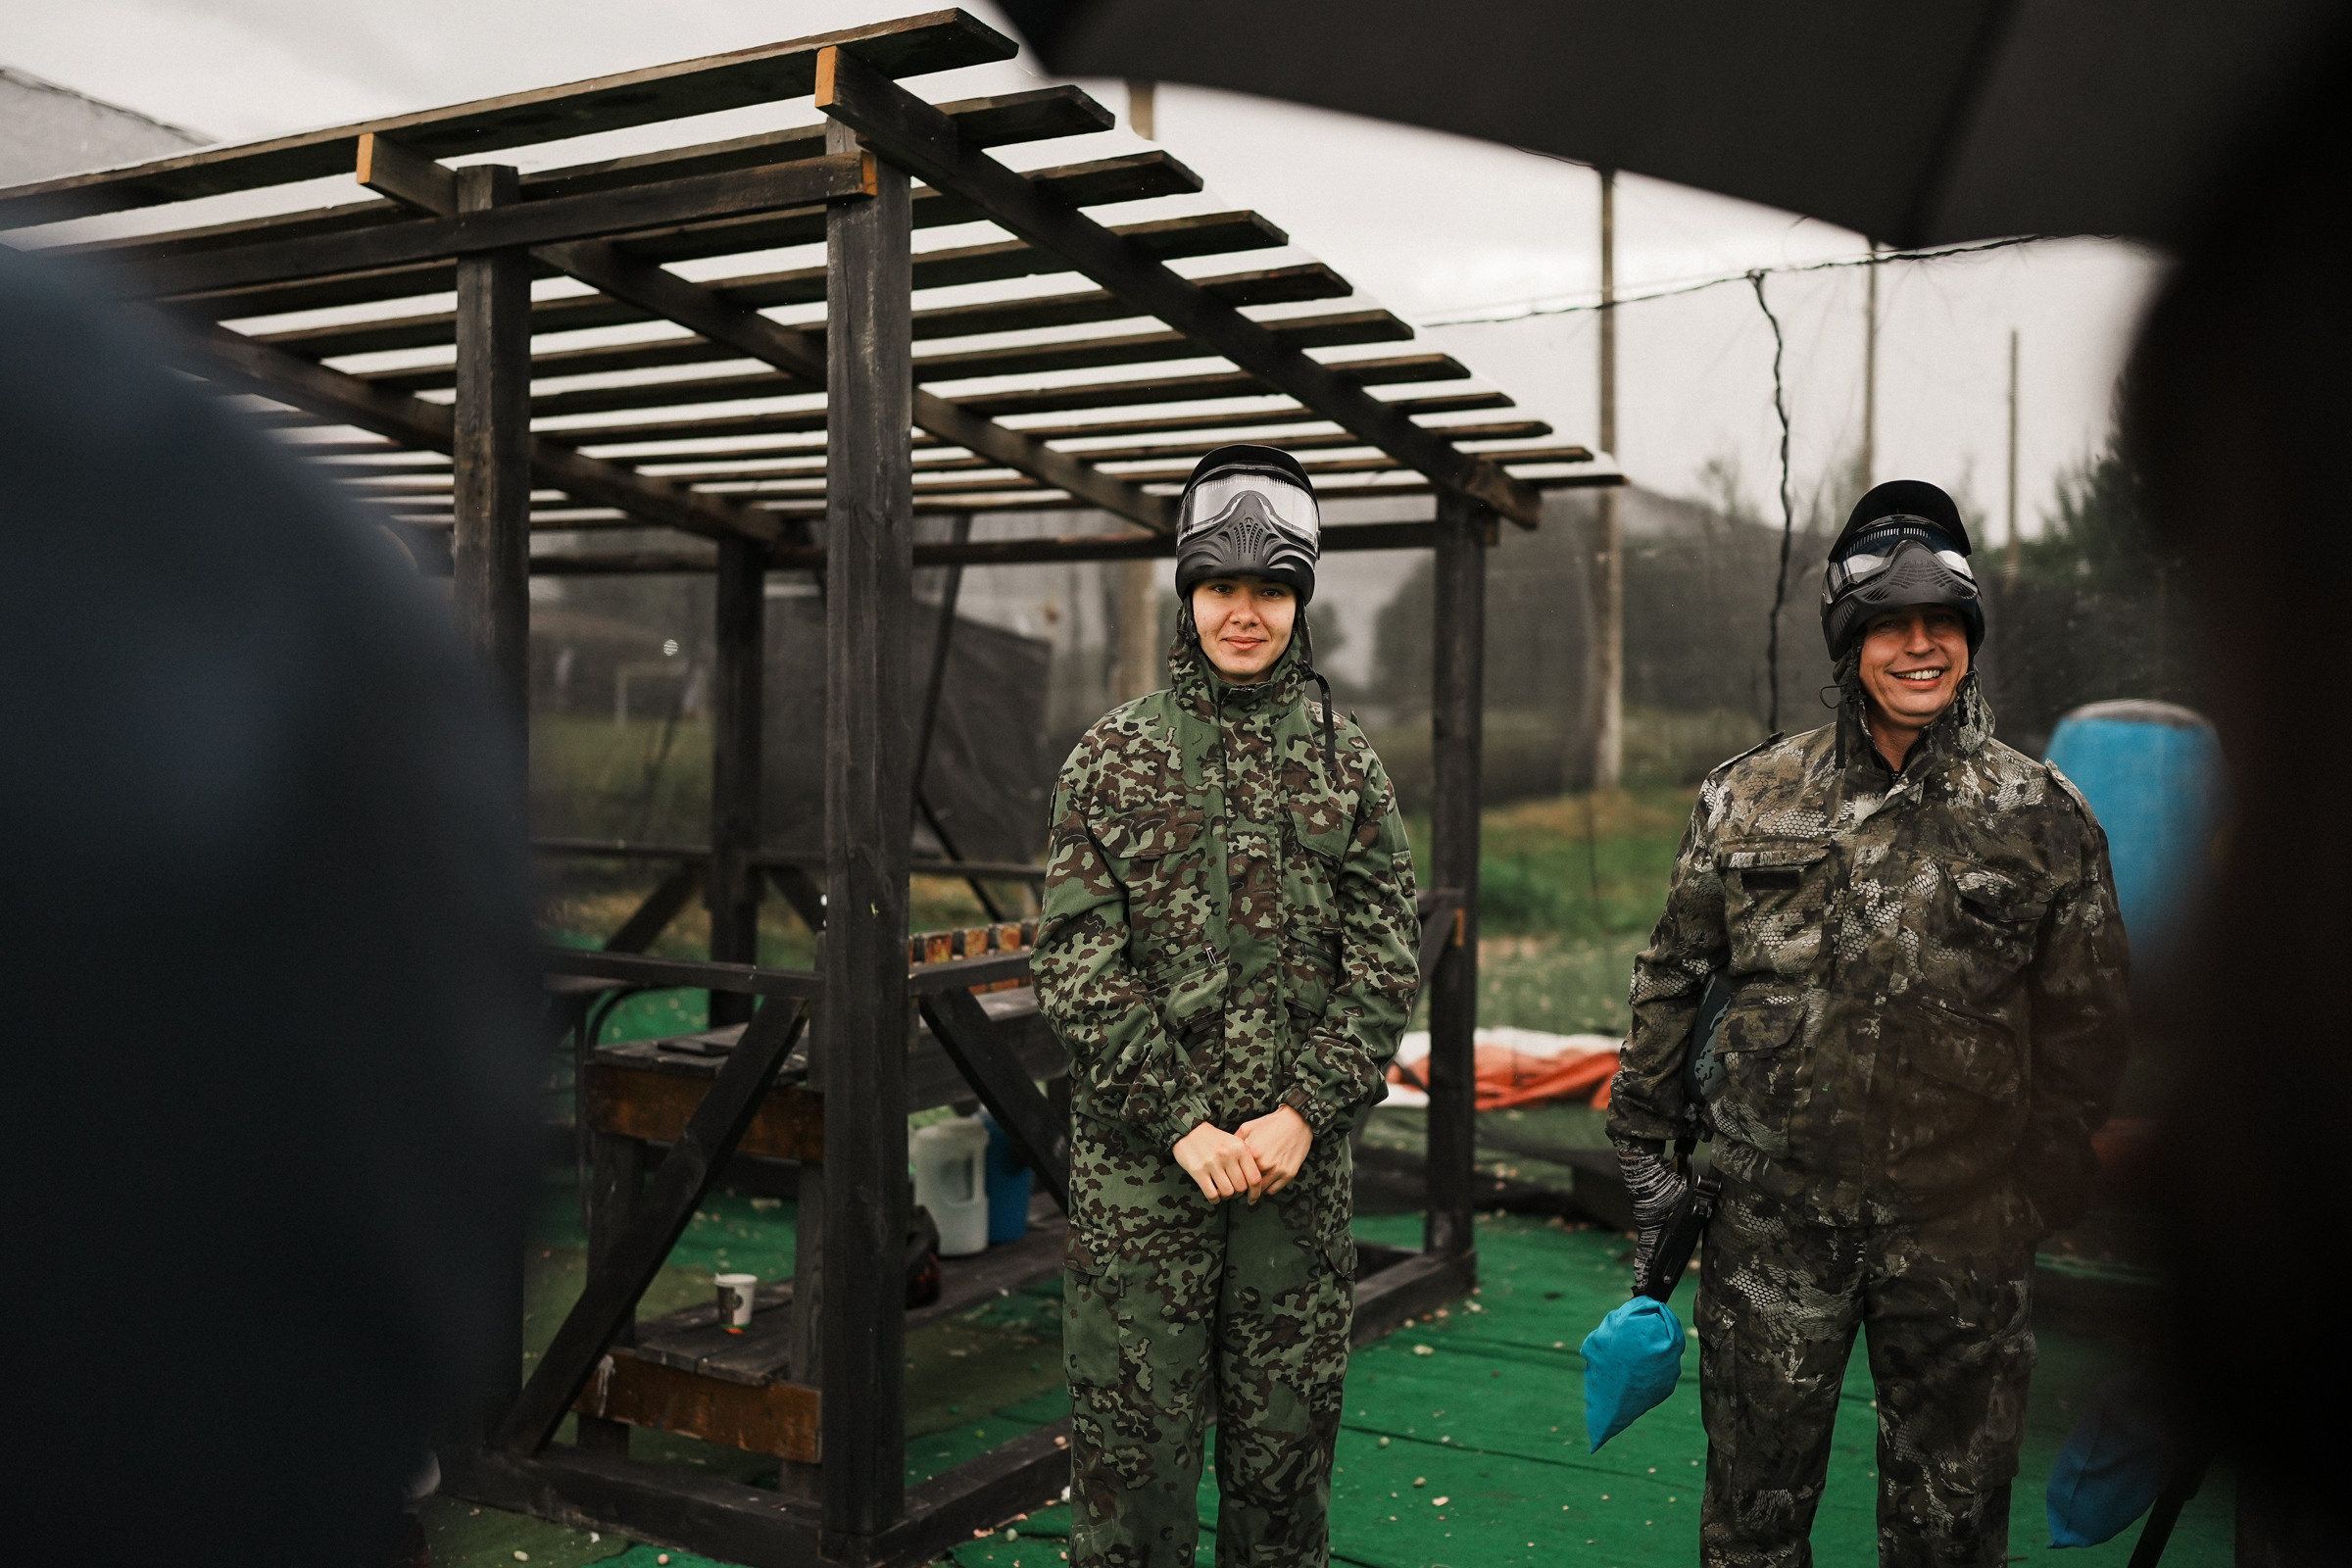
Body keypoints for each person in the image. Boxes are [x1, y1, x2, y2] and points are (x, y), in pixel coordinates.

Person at [1606, 480, 2132, 1567]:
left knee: (1948, 1534)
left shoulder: (2043, 816)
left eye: (1942, 622)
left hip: (1959, 1240)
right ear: (1852, 640)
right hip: (1768, 1230)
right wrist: (1643, 1145)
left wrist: (2028, 1191)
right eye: (1893, 623)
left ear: (1972, 637)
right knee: (1752, 1525)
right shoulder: (1749, 795)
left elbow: (2088, 1025)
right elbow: (1673, 971)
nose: (1921, 646)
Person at [1033, 445, 1420, 1567]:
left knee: (1282, 1475)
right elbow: (1076, 959)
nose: (1242, 614)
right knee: (1131, 1476)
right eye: (1221, 588)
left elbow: (1386, 959)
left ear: (1299, 600)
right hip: (1141, 1183)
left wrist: (1304, 1109)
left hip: (1294, 1189)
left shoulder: (1351, 768)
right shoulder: (1111, 760)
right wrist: (1180, 1122)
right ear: (1187, 594)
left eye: (1268, 590)